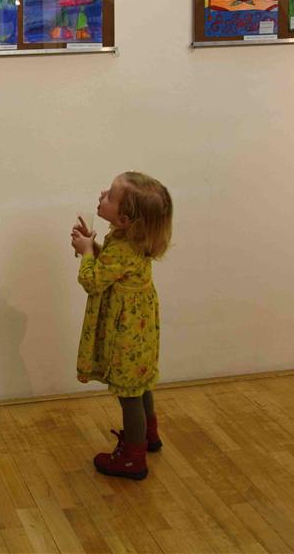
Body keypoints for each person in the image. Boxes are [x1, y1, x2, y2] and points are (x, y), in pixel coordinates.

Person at [69, 172, 174, 481]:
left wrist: (86, 252)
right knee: (140, 386)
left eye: (110, 196)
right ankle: (148, 436)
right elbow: (113, 268)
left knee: (129, 396)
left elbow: (92, 280)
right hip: (140, 333)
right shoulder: (131, 241)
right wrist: (93, 245)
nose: (102, 194)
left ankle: (133, 458)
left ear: (125, 219)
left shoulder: (122, 247)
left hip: (125, 335)